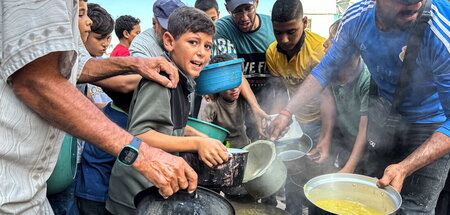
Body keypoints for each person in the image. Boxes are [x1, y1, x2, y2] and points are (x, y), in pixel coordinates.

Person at [0, 0, 198, 213]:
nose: (87, 22)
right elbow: (37, 80)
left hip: (32, 187)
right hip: (9, 186)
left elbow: (75, 68)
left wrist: (134, 63)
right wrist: (141, 153)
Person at [270, 0, 450, 213]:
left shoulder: (440, 31)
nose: (415, 5)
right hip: (385, 116)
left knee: (412, 209)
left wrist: (404, 168)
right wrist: (286, 111)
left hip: (432, 128)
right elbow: (325, 70)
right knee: (369, 197)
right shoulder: (357, 18)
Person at [106, 7, 229, 214]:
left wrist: (202, 137)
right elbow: (140, 135)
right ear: (169, 41)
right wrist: (197, 143)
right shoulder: (162, 81)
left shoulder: (182, 80)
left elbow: (171, 125)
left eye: (208, 46)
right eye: (193, 42)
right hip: (132, 197)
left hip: (153, 189)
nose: (202, 52)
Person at [265, 0, 336, 213]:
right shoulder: (272, 52)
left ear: (304, 22)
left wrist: (325, 138)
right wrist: (275, 119)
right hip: (294, 122)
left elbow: (328, 100)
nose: (284, 40)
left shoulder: (319, 50)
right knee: (292, 172)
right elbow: (278, 91)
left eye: (291, 32)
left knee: (317, 175)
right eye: (278, 33)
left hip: (321, 120)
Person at [213, 0, 274, 140]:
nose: (244, 17)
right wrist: (255, 107)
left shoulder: (273, 28)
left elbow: (280, 79)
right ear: (228, 9)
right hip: (239, 105)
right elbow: (233, 72)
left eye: (248, 9)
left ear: (257, 3)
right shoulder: (222, 29)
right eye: (238, 11)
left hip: (269, 99)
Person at [324, 19, 370, 174]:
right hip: (346, 140)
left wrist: (349, 168)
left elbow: (365, 129)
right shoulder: (332, 72)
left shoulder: (367, 79)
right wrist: (325, 140)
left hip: (367, 146)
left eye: (331, 40)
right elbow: (329, 109)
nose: (325, 44)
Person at [197, 54, 251, 149]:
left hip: (245, 146)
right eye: (227, 84)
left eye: (234, 80)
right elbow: (202, 133)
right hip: (222, 149)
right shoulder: (210, 101)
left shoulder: (244, 95)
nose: (234, 88)